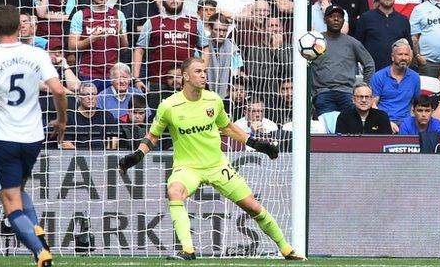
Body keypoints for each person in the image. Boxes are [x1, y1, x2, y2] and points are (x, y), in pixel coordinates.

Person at [117, 57, 306, 261]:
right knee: (174, 191)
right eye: (198, 71)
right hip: (188, 167)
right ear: (185, 76)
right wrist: (137, 155)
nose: (203, 75)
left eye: (204, 71)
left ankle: (287, 249)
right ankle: (188, 250)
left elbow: (227, 127)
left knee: (252, 206)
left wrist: (257, 145)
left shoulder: (213, 100)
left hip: (217, 165)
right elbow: (153, 135)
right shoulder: (169, 106)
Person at [0, 4, 67, 267]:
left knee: (11, 204)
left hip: (3, 137)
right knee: (17, 188)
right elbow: (60, 91)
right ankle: (38, 233)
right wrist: (62, 121)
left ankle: (41, 253)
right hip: (32, 137)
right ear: (20, 27)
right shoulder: (36, 54)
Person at [312, 5, 375, 116]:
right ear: (325, 19)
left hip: (347, 93)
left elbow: (369, 64)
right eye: (332, 16)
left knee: (350, 129)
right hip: (323, 92)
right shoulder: (316, 41)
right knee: (327, 130)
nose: (336, 19)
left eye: (340, 17)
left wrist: (364, 86)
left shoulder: (352, 42)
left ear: (343, 21)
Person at [370, 38, 420, 132]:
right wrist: (386, 121)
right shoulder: (379, 76)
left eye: (406, 55)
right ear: (392, 57)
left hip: (407, 122)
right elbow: (373, 105)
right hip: (383, 121)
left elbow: (416, 104)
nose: (403, 58)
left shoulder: (415, 77)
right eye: (400, 54)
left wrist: (409, 123)